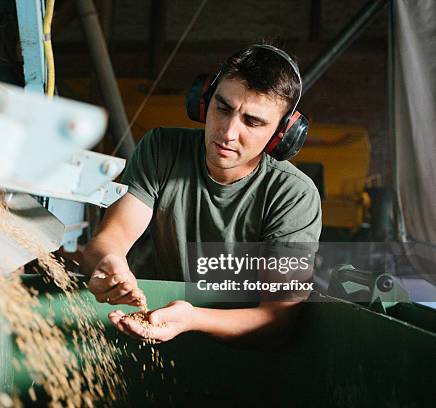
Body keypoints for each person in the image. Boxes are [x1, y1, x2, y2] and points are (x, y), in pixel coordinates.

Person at [81, 44, 322, 344]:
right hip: (164, 330)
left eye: (252, 122)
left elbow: (278, 318)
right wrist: (109, 262)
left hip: (251, 358)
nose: (228, 132)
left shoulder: (294, 195)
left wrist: (193, 318)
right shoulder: (161, 150)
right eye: (223, 108)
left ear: (281, 134)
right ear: (204, 101)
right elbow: (109, 239)